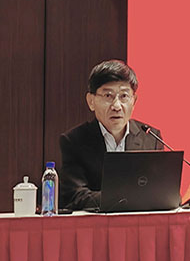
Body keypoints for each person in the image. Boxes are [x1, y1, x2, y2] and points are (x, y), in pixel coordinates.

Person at [59, 59, 162, 210]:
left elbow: (162, 191)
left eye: (124, 96)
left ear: (134, 101)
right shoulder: (74, 141)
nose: (116, 106)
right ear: (91, 101)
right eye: (108, 96)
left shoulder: (151, 137)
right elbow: (75, 195)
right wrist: (125, 198)